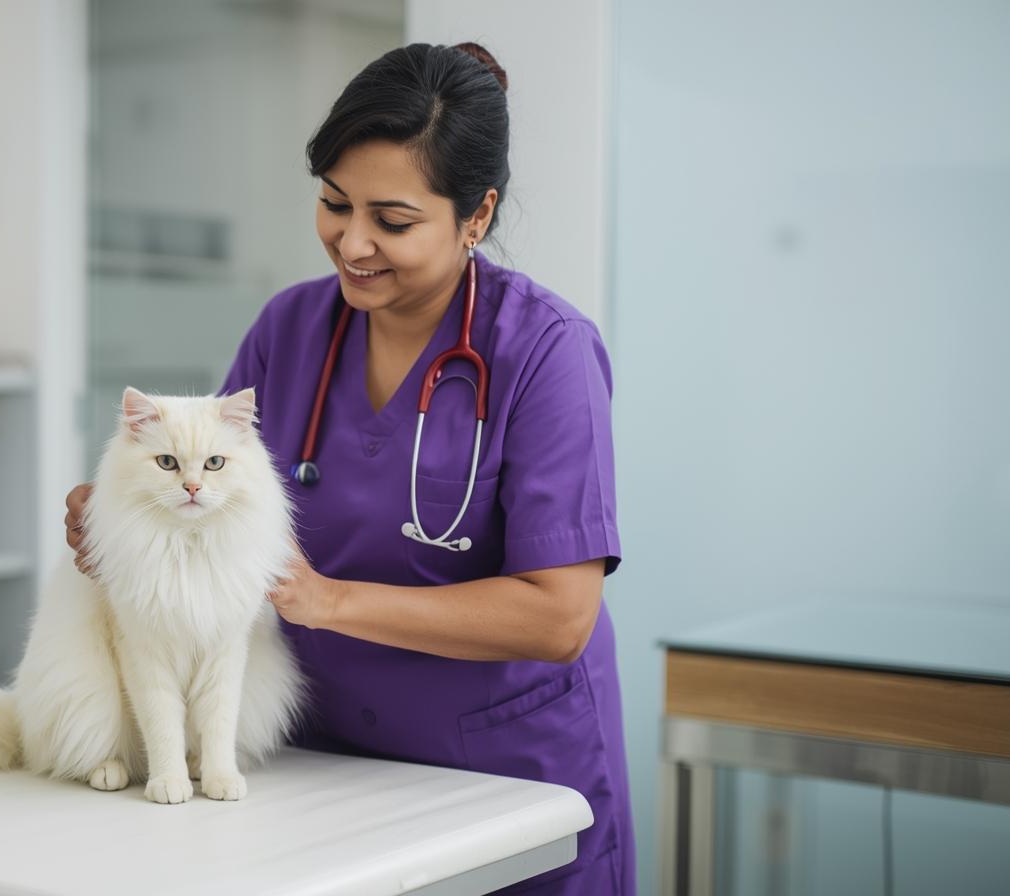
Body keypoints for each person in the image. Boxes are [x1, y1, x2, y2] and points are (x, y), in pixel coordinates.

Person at [66, 42, 632, 895]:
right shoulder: (289, 330)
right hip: (321, 769)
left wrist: (328, 602)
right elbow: (214, 499)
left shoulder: (547, 354)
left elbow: (559, 617)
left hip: (508, 782)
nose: (353, 241)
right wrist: (126, 521)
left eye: (393, 221)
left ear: (475, 217)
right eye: (334, 203)